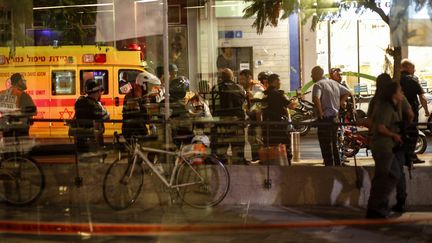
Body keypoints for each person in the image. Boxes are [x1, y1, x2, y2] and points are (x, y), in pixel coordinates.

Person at [366, 76, 405, 219]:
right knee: (382, 178)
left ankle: (379, 204)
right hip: (383, 147)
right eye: (400, 91)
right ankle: (375, 208)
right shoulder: (385, 107)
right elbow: (381, 127)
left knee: (394, 174)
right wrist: (394, 135)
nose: (402, 93)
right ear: (393, 93)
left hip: (389, 147)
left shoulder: (390, 105)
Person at [311, 66, 350, 166]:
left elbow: (316, 98)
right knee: (333, 144)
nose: (311, 76)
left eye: (312, 74)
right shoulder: (334, 83)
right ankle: (337, 166)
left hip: (325, 120)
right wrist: (340, 103)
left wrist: (320, 113)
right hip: (334, 119)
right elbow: (348, 92)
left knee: (325, 146)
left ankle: (329, 168)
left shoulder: (318, 85)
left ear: (317, 74)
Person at [212, 68, 247, 164]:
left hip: (222, 123)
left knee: (221, 150)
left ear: (221, 78)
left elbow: (213, 106)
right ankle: (238, 168)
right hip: (237, 122)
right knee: (238, 148)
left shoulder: (216, 88)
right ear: (232, 77)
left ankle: (223, 168)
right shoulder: (240, 88)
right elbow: (244, 105)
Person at [399, 59, 430, 164]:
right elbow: (422, 97)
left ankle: (403, 156)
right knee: (413, 133)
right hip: (411, 111)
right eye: (413, 67)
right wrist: (426, 110)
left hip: (398, 112)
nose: (415, 70)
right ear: (407, 67)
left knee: (402, 133)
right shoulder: (413, 79)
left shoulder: (396, 79)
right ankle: (411, 157)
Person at [261, 73, 296, 165]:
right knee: (285, 143)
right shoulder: (278, 94)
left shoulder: (264, 94)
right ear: (275, 82)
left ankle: (271, 164)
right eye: (279, 81)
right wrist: (294, 101)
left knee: (270, 145)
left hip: (267, 124)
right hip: (278, 124)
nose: (280, 83)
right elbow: (291, 106)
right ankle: (286, 164)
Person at [72, 79, 110, 152]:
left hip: (80, 139)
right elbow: (106, 117)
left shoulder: (79, 101)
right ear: (97, 92)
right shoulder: (95, 105)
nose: (100, 93)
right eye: (99, 91)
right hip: (93, 141)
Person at [122, 71, 162, 140]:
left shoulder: (138, 96)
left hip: (137, 127)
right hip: (134, 131)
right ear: (143, 85)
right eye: (149, 86)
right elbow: (137, 115)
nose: (151, 90)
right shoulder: (133, 97)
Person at [239, 69, 265, 162]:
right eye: (240, 79)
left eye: (243, 79)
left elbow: (260, 102)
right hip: (250, 118)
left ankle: (262, 159)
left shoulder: (257, 87)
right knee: (251, 139)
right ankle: (256, 158)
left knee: (258, 138)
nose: (241, 81)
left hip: (258, 118)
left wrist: (252, 96)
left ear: (249, 78)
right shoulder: (243, 89)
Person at [0, 73, 37, 137]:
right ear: (19, 82)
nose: (25, 82)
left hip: (6, 128)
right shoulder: (23, 95)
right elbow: (33, 111)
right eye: (23, 80)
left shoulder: (2, 94)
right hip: (20, 129)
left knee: (8, 145)